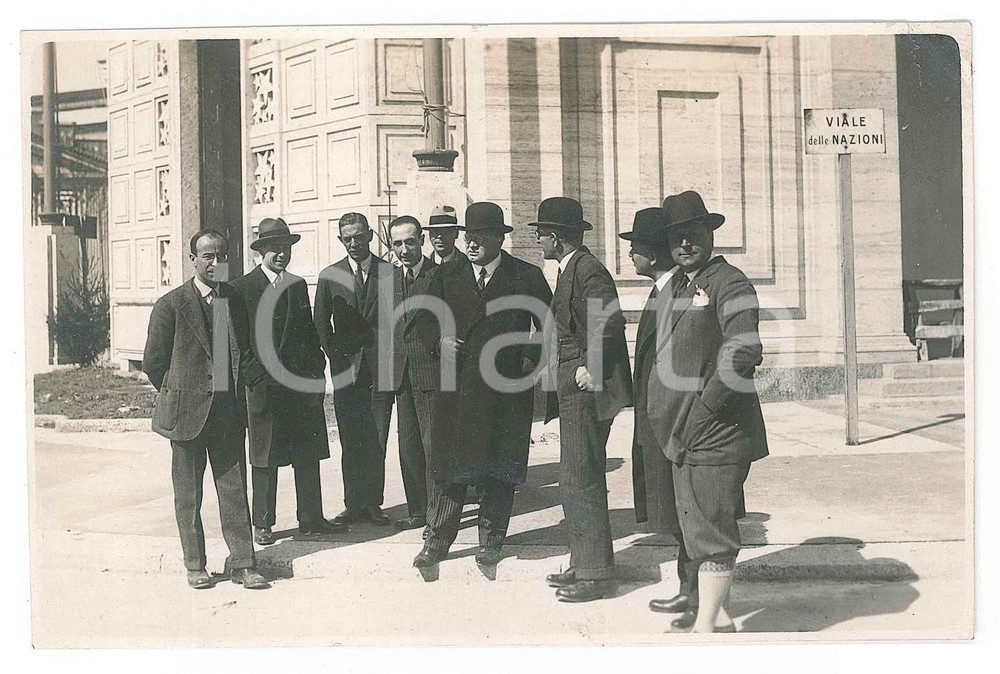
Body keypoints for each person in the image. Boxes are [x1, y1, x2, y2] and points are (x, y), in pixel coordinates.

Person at [643, 190, 770, 633]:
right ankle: (723, 618)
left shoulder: (728, 282)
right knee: (699, 526)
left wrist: (702, 413)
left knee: (711, 532)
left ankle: (707, 630)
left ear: (709, 234)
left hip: (715, 431)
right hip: (682, 433)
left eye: (693, 234)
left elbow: (743, 351)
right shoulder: (679, 283)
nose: (684, 245)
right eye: (676, 238)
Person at [414, 202, 552, 576]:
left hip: (504, 390)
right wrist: (439, 342)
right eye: (467, 237)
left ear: (498, 238)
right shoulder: (448, 274)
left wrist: (526, 363)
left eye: (479, 237)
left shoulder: (525, 276)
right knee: (448, 466)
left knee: (498, 467)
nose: (471, 244)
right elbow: (423, 319)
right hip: (456, 388)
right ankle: (436, 541)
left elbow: (548, 326)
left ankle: (491, 542)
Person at [142, 229, 270, 590]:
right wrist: (181, 395)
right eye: (208, 256)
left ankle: (244, 563)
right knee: (188, 494)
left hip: (226, 412)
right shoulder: (171, 305)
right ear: (192, 260)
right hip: (186, 415)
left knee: (233, 490)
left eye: (222, 256)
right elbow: (153, 363)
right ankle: (195, 565)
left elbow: (241, 351)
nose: (216, 263)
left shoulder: (232, 300)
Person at [531, 197, 632, 602]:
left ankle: (597, 574)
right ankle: (584, 562)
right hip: (573, 380)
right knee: (575, 477)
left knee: (581, 476)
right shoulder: (571, 268)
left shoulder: (587, 269)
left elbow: (607, 320)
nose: (538, 240)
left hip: (586, 387)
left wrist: (588, 364)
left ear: (554, 237)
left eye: (540, 233)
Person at [231, 218, 345, 545]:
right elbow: (239, 344)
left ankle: (311, 518)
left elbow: (308, 335)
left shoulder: (295, 285)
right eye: (274, 248)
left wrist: (315, 373)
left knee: (306, 453)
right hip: (265, 388)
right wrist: (256, 379)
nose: (281, 254)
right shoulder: (242, 288)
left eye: (286, 248)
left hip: (299, 387)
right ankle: (263, 523)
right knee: (265, 456)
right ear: (261, 251)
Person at [618, 207, 695, 625]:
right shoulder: (662, 289)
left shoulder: (679, 293)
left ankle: (695, 596)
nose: (631, 255)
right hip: (658, 418)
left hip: (674, 421)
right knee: (677, 510)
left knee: (687, 510)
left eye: (635, 248)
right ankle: (689, 590)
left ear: (652, 252)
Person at [313, 212, 394, 526]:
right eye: (348, 238)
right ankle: (352, 504)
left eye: (359, 236)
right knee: (350, 438)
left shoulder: (390, 273)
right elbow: (321, 323)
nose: (354, 243)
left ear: (370, 235)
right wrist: (335, 355)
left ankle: (373, 504)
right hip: (346, 370)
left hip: (380, 370)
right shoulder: (329, 275)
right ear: (340, 240)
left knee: (377, 437)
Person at [385, 216, 440, 530]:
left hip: (431, 374)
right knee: (408, 445)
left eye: (410, 242)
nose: (404, 249)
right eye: (397, 244)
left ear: (422, 241)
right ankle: (418, 510)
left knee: (433, 446)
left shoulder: (439, 276)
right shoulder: (390, 280)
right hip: (401, 376)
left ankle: (437, 514)